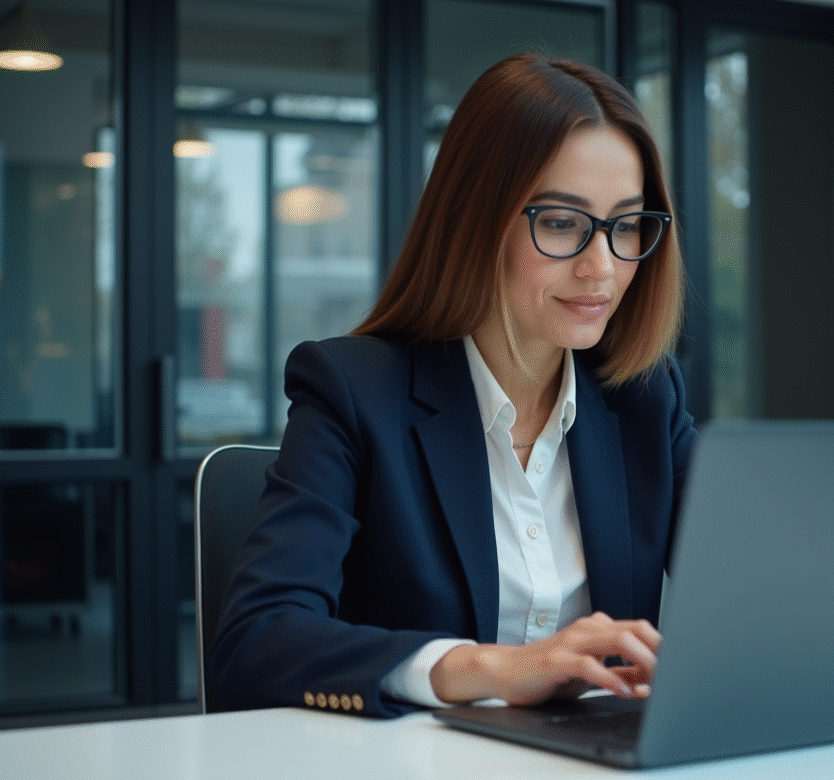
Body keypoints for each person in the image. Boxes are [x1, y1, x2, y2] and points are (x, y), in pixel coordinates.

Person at [210, 51, 695, 719]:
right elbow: (254, 643)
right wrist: (483, 666)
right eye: (561, 223)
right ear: (475, 218)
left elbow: (762, 594)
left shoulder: (645, 396)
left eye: (627, 225)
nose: (602, 268)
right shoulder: (352, 392)